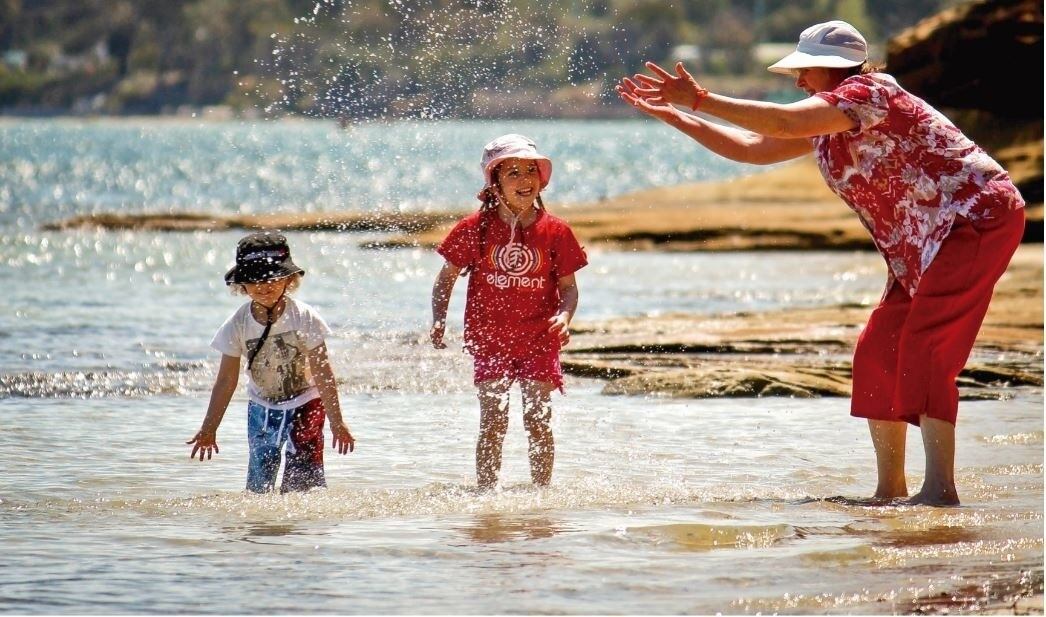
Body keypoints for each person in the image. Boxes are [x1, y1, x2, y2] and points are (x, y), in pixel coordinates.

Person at [617, 20, 1025, 506]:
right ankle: (889, 491)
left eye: (804, 71)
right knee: (878, 351)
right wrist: (675, 115)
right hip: (921, 242)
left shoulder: (870, 94)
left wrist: (700, 99)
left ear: (832, 68)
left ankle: (939, 491)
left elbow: (782, 122)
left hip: (974, 219)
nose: (797, 81)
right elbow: (753, 148)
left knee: (925, 345)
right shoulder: (829, 122)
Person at [430, 134, 588, 490]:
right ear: (495, 182)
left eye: (531, 170)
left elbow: (568, 288)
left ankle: (541, 494)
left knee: (537, 419)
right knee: (493, 420)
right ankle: (487, 495)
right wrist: (439, 317)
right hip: (490, 340)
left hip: (539, 340)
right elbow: (445, 279)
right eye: (513, 172)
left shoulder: (556, 231)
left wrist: (564, 317)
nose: (524, 179)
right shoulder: (474, 229)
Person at [187, 232, 355, 493]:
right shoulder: (238, 324)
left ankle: (301, 516)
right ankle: (264, 518)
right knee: (258, 485)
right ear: (241, 284)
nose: (263, 286)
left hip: (306, 403)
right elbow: (226, 380)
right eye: (254, 280)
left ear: (289, 279)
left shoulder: (304, 317)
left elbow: (323, 372)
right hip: (262, 407)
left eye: (272, 278)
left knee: (303, 483)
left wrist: (337, 421)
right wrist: (209, 427)